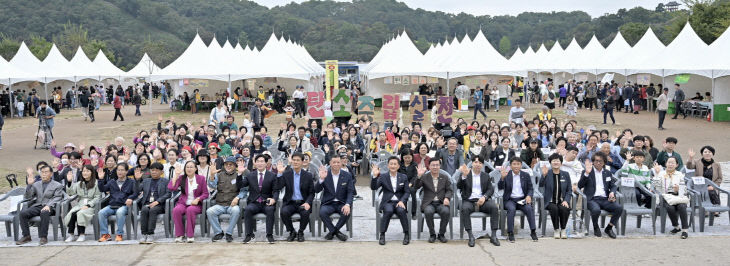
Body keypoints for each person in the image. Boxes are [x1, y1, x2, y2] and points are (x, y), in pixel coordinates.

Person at [456, 156, 500, 247]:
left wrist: (484, 197)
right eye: (476, 162)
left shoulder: (486, 175)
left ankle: (494, 235)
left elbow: (490, 189)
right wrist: (463, 176)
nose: (478, 165)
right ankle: (470, 236)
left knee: (494, 208)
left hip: (482, 200)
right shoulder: (466, 174)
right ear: (472, 163)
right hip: (469, 200)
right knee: (464, 209)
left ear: (482, 165)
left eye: (480, 163)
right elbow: (459, 186)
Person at [16, 165, 64, 245]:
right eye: (42, 172)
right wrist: (29, 185)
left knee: (44, 212)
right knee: (23, 213)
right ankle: (26, 236)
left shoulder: (57, 185)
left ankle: (43, 237)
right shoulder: (36, 184)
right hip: (37, 206)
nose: (44, 174)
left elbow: (57, 197)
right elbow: (28, 197)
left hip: (51, 208)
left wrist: (48, 205)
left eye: (46, 172)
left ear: (51, 174)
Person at [578, 152, 622, 238]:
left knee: (619, 208)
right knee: (596, 210)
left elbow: (613, 185)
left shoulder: (607, 172)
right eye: (596, 161)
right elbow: (580, 185)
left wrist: (612, 192)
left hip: (605, 199)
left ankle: (609, 228)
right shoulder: (587, 171)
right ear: (593, 162)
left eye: (601, 161)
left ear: (604, 162)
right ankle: (596, 227)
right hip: (591, 199)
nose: (598, 163)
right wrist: (586, 173)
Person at [370, 156, 411, 245]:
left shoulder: (403, 177)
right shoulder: (383, 176)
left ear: (398, 166)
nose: (393, 166)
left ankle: (406, 234)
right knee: (388, 211)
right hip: (387, 202)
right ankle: (382, 234)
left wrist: (402, 201)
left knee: (401, 211)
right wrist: (374, 176)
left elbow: (407, 192)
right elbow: (374, 187)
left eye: (395, 164)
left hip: (399, 202)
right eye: (391, 164)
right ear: (388, 166)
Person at [275, 153, 315, 242]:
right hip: (290, 202)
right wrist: (279, 173)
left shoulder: (307, 175)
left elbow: (312, 193)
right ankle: (292, 231)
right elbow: (278, 187)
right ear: (291, 161)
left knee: (305, 213)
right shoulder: (287, 174)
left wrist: (308, 202)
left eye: (298, 160)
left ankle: (301, 232)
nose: (295, 162)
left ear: (302, 162)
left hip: (303, 202)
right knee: (284, 212)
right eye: (294, 160)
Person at [207, 157, 247, 243]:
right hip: (220, 204)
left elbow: (244, 190)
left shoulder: (238, 175)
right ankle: (219, 232)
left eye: (230, 164)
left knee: (236, 210)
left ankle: (229, 233)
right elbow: (212, 186)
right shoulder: (219, 174)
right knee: (210, 211)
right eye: (226, 164)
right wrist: (212, 175)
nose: (228, 166)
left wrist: (237, 197)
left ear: (234, 166)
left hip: (232, 204)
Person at [315, 156, 355, 242]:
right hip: (328, 203)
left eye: (338, 162)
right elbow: (316, 190)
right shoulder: (326, 174)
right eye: (334, 162)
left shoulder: (347, 175)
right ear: (330, 163)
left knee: (346, 212)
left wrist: (347, 204)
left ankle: (332, 232)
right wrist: (321, 179)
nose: (336, 164)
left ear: (341, 163)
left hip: (342, 203)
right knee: (322, 212)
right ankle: (336, 232)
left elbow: (350, 192)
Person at [498, 157, 538, 243]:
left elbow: (531, 188)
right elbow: (499, 187)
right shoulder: (506, 174)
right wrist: (502, 178)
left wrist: (529, 196)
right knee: (511, 209)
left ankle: (533, 231)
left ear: (521, 165)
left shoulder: (525, 175)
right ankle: (510, 233)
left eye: (518, 164)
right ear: (511, 165)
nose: (516, 166)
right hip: (510, 200)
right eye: (514, 164)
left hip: (522, 199)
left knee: (529, 209)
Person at [169, 161, 209, 243]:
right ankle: (179, 234)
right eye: (187, 167)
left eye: (191, 167)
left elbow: (205, 193)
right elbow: (171, 188)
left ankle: (190, 235)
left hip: (196, 205)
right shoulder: (181, 178)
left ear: (195, 168)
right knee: (176, 210)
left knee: (190, 210)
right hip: (183, 203)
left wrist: (198, 199)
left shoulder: (201, 178)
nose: (189, 169)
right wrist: (176, 175)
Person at [241, 154, 278, 244]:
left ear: (266, 163)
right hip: (254, 202)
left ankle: (269, 234)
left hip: (267, 202)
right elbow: (240, 185)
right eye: (258, 161)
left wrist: (274, 199)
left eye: (262, 161)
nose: (260, 163)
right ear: (255, 163)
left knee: (270, 210)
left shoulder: (272, 175)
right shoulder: (250, 175)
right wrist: (239, 174)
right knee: (247, 210)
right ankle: (249, 234)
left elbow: (276, 190)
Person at [97, 163, 136, 242]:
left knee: (120, 212)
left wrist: (130, 198)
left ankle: (119, 234)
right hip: (112, 205)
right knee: (101, 212)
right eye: (118, 170)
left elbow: (135, 193)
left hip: (124, 206)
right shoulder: (112, 182)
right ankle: (105, 234)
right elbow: (102, 189)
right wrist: (101, 179)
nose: (120, 172)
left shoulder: (131, 182)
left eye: (122, 170)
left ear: (126, 171)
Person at [652, 157, 689, 239]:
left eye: (673, 163)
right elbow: (656, 187)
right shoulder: (661, 173)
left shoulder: (679, 174)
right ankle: (676, 227)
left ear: (677, 165)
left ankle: (685, 230)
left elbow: (684, 189)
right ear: (666, 164)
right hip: (665, 196)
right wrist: (657, 174)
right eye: (669, 162)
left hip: (678, 196)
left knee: (682, 206)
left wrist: (678, 189)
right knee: (670, 207)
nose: (670, 164)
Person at [63, 165, 102, 242]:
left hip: (92, 206)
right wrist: (69, 182)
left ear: (92, 172)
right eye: (84, 171)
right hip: (80, 204)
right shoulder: (79, 183)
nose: (85, 173)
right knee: (72, 213)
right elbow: (70, 193)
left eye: (87, 171)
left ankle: (82, 234)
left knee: (80, 213)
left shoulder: (96, 183)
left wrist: (88, 205)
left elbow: (97, 197)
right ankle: (71, 234)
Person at [539, 154, 572, 239]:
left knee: (564, 208)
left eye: (558, 160)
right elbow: (540, 186)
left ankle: (563, 229)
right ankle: (556, 229)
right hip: (550, 201)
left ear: (561, 163)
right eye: (553, 161)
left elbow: (569, 190)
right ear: (550, 163)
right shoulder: (547, 173)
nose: (556, 162)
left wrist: (566, 200)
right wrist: (543, 176)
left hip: (562, 200)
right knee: (554, 208)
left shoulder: (566, 174)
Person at [137, 163, 172, 244]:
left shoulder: (166, 181)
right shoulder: (146, 181)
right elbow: (137, 190)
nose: (154, 172)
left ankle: (150, 234)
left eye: (156, 170)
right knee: (144, 210)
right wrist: (138, 180)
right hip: (147, 203)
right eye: (152, 170)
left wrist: (157, 201)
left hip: (159, 204)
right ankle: (144, 234)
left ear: (161, 172)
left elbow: (168, 193)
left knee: (153, 210)